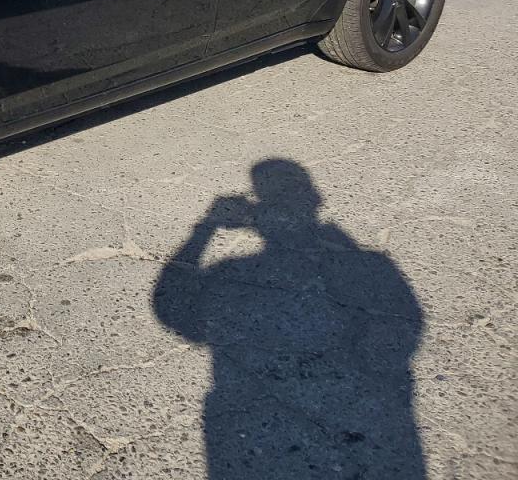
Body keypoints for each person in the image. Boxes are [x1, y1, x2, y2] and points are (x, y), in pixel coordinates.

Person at [152, 158, 425, 479]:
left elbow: (171, 308)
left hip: (254, 432)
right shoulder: (370, 264)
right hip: (364, 427)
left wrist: (207, 227)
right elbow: (405, 328)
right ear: (315, 199)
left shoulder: (229, 274)